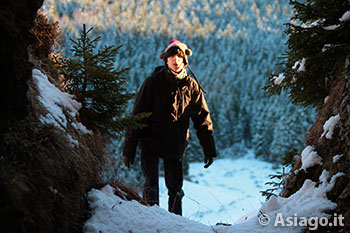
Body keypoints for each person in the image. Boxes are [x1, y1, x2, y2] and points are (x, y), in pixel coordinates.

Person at [122, 39, 217, 215]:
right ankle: (151, 221)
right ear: (165, 60)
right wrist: (129, 149)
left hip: (175, 145)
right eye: (172, 56)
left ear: (184, 60)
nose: (175, 59)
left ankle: (176, 223)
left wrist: (209, 149)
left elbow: (203, 120)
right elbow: (137, 116)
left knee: (176, 191)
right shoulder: (152, 82)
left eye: (179, 56)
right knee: (151, 186)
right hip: (150, 143)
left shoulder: (192, 86)